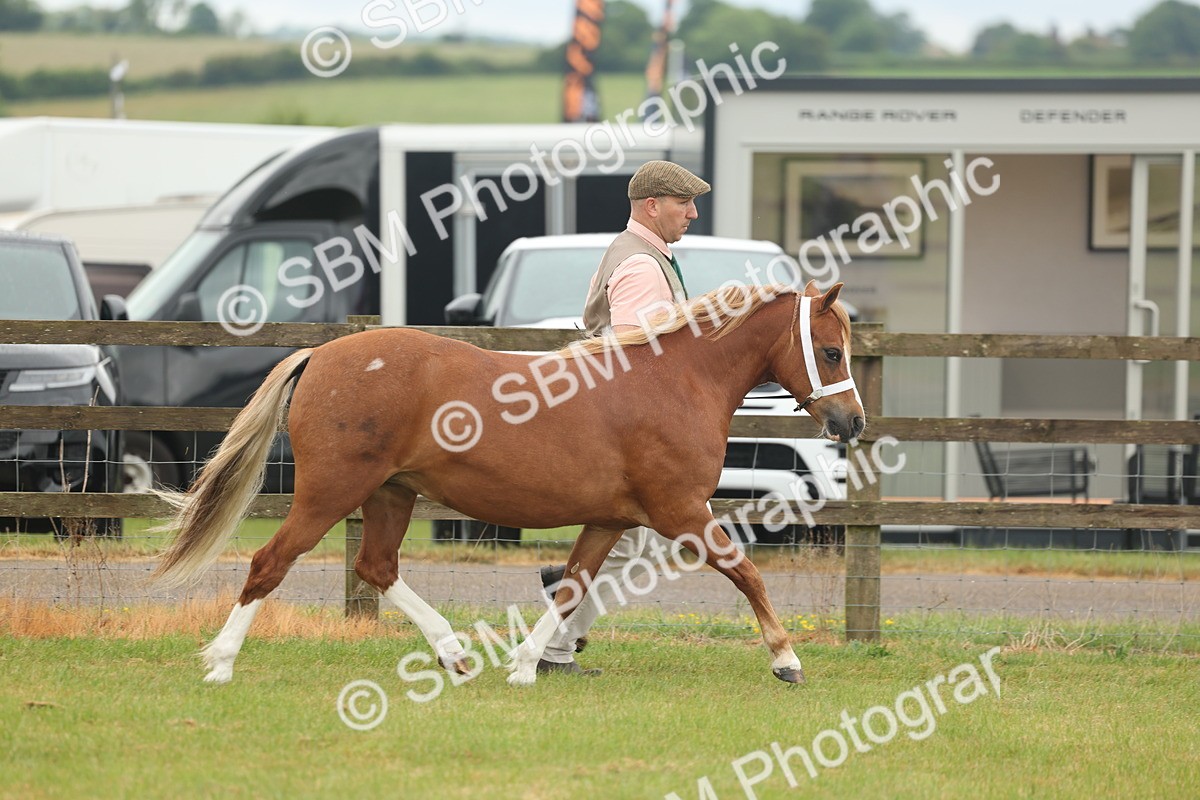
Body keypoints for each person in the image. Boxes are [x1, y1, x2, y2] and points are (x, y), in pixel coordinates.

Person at [537, 160, 711, 675]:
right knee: (646, 543)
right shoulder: (640, 265)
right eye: (685, 204)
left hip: (616, 425)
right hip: (622, 430)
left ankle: (557, 622)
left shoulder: (642, 254)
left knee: (641, 542)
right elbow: (638, 355)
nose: (693, 214)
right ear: (653, 206)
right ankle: (555, 637)